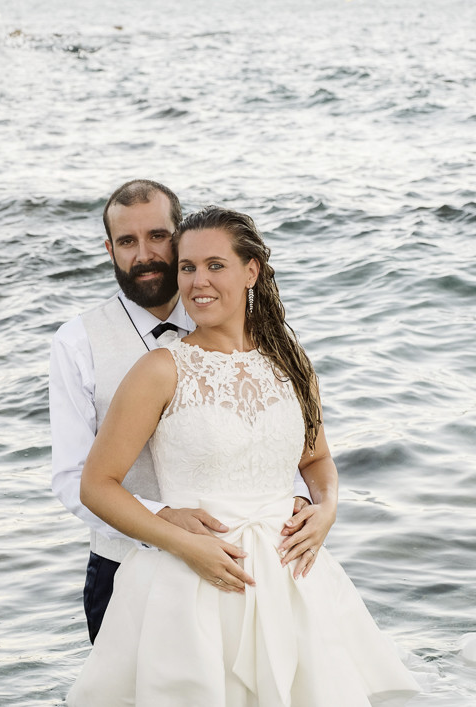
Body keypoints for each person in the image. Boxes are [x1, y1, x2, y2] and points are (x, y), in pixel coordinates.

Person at [67, 206, 420, 705]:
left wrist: (326, 509)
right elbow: (96, 485)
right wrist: (184, 545)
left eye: (216, 265)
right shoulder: (160, 369)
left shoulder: (291, 363)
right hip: (194, 586)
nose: (198, 282)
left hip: (293, 583)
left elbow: (316, 460)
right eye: (187, 267)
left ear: (250, 271)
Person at [49, 181, 328, 644]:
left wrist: (305, 504)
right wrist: (164, 520)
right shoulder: (79, 342)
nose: (144, 255)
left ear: (179, 237)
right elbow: (74, 478)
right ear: (110, 249)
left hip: (263, 566)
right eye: (127, 241)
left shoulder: (258, 339)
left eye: (158, 236)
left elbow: (288, 445)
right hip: (127, 567)